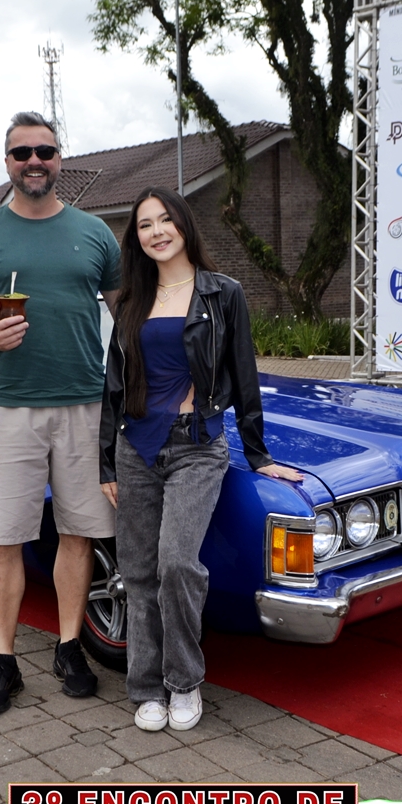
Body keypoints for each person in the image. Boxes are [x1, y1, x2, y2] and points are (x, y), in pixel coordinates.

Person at [99, 187, 302, 732]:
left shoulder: (222, 293)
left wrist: (257, 453)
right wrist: (106, 464)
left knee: (176, 564)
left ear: (184, 224)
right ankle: (145, 688)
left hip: (197, 445)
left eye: (165, 219)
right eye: (145, 224)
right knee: (137, 572)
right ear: (136, 238)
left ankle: (184, 681)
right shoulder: (131, 299)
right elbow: (113, 386)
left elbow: (244, 374)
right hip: (135, 447)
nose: (156, 231)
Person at [0, 111, 121, 714]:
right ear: (8, 163)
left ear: (59, 159)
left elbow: (130, 313)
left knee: (79, 532)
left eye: (45, 151)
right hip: (11, 408)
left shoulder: (95, 233)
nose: (35, 161)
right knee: (4, 538)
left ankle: (69, 647)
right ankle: (3, 661)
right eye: (23, 153)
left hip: (85, 404)